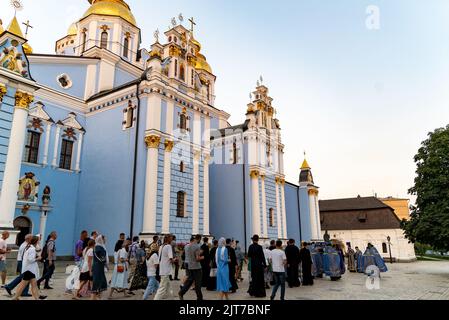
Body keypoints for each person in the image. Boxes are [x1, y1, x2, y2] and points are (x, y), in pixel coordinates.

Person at [13, 236, 47, 300]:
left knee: (33, 285)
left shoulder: (28, 247)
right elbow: (30, 259)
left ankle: (37, 298)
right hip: (29, 270)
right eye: (38, 241)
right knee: (24, 285)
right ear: (36, 241)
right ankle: (15, 298)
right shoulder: (32, 249)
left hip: (28, 270)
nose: (39, 242)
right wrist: (38, 258)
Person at [179, 235, 204, 300]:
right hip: (196, 267)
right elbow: (197, 258)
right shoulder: (197, 246)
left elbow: (189, 255)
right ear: (198, 239)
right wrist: (202, 257)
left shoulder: (186, 246)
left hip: (189, 266)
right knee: (198, 283)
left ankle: (181, 292)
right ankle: (199, 297)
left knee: (189, 281)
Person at [154, 235, 174, 300]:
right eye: (171, 239)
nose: (172, 240)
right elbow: (171, 259)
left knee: (168, 287)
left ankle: (171, 297)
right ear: (168, 240)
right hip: (166, 270)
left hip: (162, 269)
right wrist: (175, 260)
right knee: (162, 288)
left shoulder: (161, 247)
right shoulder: (168, 246)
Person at [91, 235, 108, 300]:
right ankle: (93, 298)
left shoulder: (99, 247)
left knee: (100, 282)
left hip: (99, 266)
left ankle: (98, 297)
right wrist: (105, 263)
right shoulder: (99, 247)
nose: (105, 240)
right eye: (104, 239)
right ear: (101, 239)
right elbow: (101, 258)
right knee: (97, 282)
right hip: (98, 266)